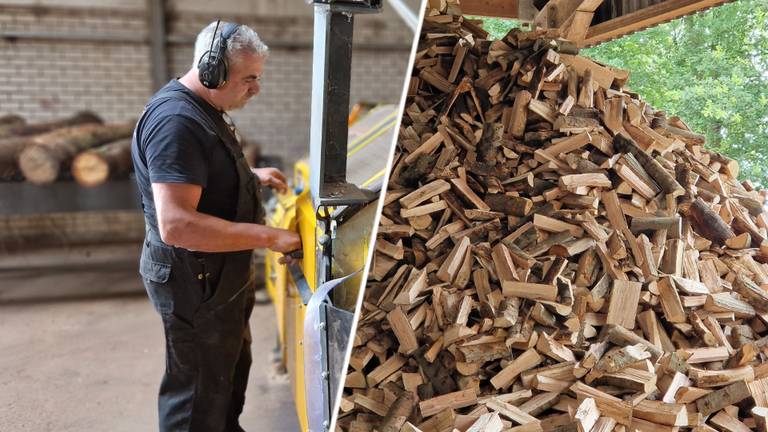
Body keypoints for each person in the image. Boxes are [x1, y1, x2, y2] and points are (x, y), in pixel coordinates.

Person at [130, 21, 301, 432]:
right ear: (212, 72)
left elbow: (197, 176)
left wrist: (246, 177)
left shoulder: (204, 110)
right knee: (198, 392)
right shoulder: (177, 123)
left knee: (224, 373)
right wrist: (271, 237)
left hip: (216, 276)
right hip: (195, 280)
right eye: (249, 79)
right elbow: (177, 225)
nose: (256, 88)